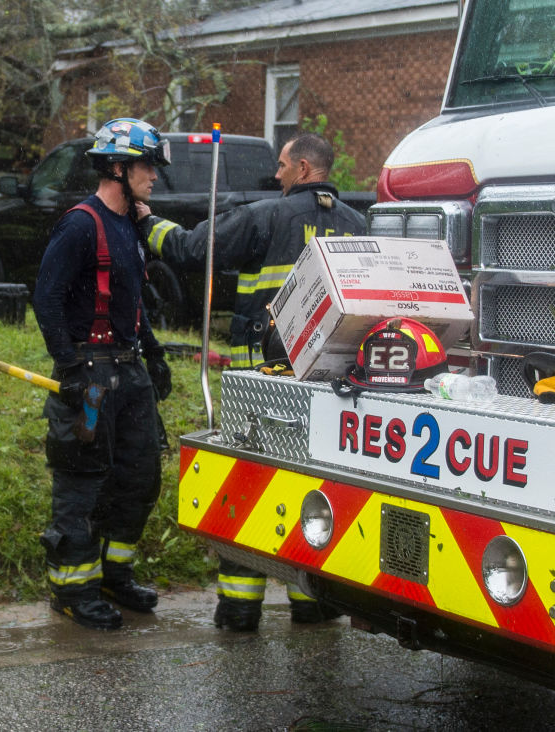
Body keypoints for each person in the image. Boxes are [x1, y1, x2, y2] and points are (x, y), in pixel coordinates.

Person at [137, 132, 366, 632]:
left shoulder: (266, 216)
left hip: (259, 385)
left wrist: (146, 222)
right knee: (316, 492)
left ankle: (240, 609)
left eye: (283, 166)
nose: (276, 175)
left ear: (304, 168)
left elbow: (192, 248)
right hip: (331, 391)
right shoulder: (358, 227)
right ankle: (314, 604)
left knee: (247, 484)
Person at [33, 118, 173, 631]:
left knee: (138, 479)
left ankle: (115, 575)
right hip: (88, 377)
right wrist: (68, 365)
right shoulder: (79, 224)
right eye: (146, 165)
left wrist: (153, 355)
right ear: (117, 166)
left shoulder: (131, 225)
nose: (153, 176)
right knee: (82, 486)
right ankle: (73, 590)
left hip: (129, 371)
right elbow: (45, 298)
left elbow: (133, 302)